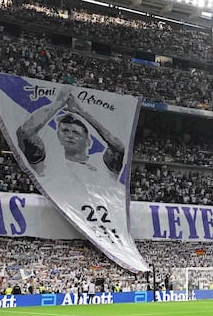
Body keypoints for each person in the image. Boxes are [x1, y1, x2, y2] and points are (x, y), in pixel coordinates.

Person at [15, 87, 128, 246]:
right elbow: (25, 133)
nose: (69, 135)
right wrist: (58, 104)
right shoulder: (49, 160)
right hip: (63, 230)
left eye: (76, 132)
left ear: (89, 141)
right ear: (58, 135)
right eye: (65, 131)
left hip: (107, 231)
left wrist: (81, 112)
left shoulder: (100, 162)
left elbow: (119, 148)